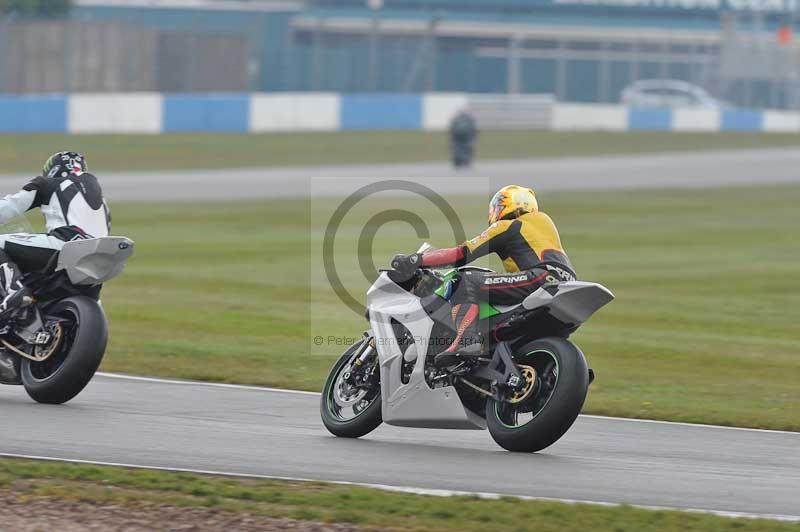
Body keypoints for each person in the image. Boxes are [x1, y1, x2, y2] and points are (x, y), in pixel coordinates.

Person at [391, 184, 576, 366]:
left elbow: (460, 254)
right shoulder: (542, 224)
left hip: (541, 277)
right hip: (566, 283)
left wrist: (416, 260)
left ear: (509, 206)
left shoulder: (509, 226)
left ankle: (467, 340)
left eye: (498, 207)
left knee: (462, 279)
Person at [0, 151, 110, 317]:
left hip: (66, 245)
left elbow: (10, 207)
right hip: (99, 260)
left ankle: (13, 291)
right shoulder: (102, 201)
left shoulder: (48, 183)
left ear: (52, 170)